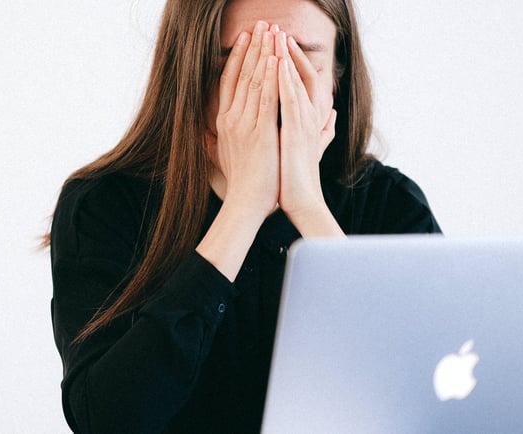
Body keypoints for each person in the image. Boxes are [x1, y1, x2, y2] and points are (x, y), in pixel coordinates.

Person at [46, 0, 441, 432]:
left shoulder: (390, 203)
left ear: (336, 78)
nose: (269, 87)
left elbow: (432, 394)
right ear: (192, 73)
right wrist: (243, 208)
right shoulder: (103, 205)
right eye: (240, 63)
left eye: (298, 60)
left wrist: (308, 207)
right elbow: (109, 419)